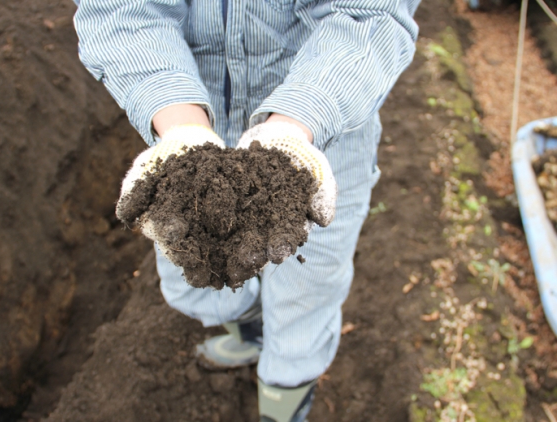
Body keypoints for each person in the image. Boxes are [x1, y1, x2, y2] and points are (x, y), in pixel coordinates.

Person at [73, 1, 420, 420]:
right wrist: (182, 128)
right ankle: (253, 331)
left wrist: (296, 125)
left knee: (306, 296)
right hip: (190, 118)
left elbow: (369, 15)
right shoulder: (185, 139)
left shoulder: (302, 149)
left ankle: (284, 402)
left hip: (316, 140)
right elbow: (121, 10)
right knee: (197, 282)